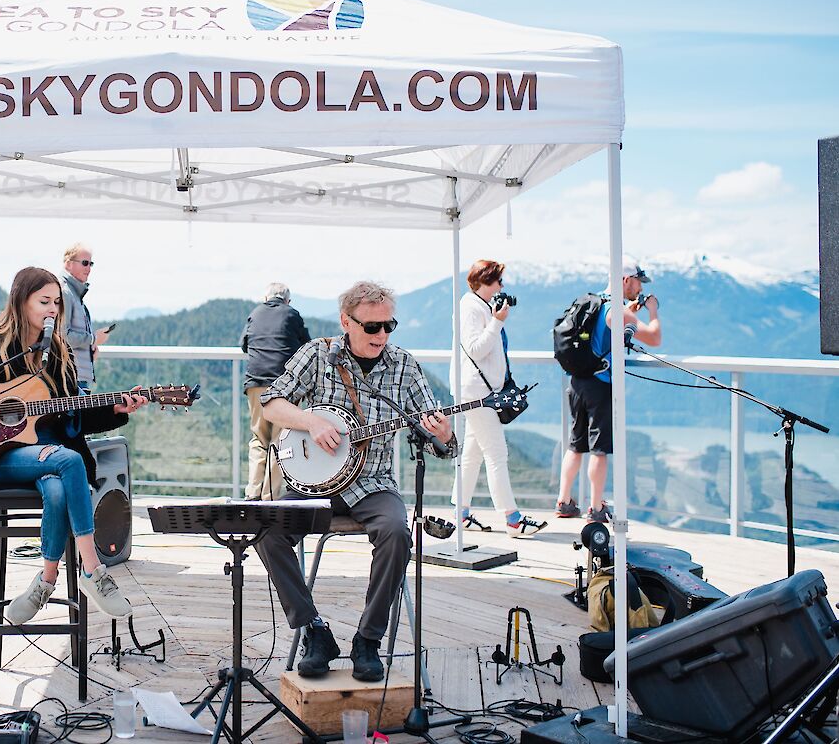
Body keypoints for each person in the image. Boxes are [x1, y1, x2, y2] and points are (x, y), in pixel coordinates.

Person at [0, 267, 148, 624]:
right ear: (21, 301)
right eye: (44, 301)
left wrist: (114, 409)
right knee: (69, 462)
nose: (53, 308)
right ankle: (93, 572)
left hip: (49, 455)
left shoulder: (60, 354)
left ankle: (44, 582)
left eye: (57, 302)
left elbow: (73, 417)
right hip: (0, 454)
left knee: (57, 491)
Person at [257, 281, 456, 682]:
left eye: (389, 326)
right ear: (346, 321)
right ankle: (314, 630)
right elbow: (273, 403)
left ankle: (368, 640)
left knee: (397, 531)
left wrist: (446, 434)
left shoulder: (403, 366)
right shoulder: (317, 355)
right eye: (371, 327)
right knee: (266, 530)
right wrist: (311, 422)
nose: (381, 336)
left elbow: (442, 446)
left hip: (373, 484)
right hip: (314, 485)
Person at [555, 258, 663, 522]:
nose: (640, 288)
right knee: (599, 450)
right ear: (626, 280)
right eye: (638, 282)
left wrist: (631, 310)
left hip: (577, 381)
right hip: (600, 385)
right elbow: (654, 338)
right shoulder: (618, 309)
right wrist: (652, 311)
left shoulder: (595, 303)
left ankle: (564, 500)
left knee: (575, 445)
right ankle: (595, 506)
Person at [451, 260, 547, 537]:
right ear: (484, 282)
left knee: (473, 452)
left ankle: (461, 512)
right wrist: (496, 322)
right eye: (498, 282)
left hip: (481, 389)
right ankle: (513, 519)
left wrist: (494, 318)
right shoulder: (471, 306)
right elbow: (476, 348)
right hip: (477, 392)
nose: (501, 287)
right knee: (496, 454)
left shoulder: (478, 305)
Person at [240, 282, 311, 500]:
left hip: (256, 383)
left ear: (266, 297)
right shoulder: (292, 315)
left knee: (259, 438)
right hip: (284, 385)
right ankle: (269, 497)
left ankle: (252, 493)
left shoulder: (255, 313)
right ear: (287, 300)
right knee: (280, 440)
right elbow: (307, 347)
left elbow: (244, 344)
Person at [60, 243, 111, 391]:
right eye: (84, 263)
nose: (88, 268)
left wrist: (88, 350)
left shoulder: (72, 292)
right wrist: (93, 339)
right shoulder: (65, 292)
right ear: (68, 264)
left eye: (91, 263)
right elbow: (63, 336)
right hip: (72, 379)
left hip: (76, 377)